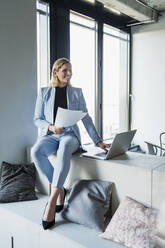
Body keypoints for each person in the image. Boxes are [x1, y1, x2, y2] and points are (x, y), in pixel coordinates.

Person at [31, 58, 110, 230]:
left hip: (69, 135)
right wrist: (51, 127)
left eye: (70, 70)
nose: (69, 73)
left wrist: (98, 141)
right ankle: (61, 190)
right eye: (65, 70)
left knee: (65, 146)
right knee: (36, 151)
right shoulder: (44, 92)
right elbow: (37, 119)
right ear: (55, 72)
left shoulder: (76, 92)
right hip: (52, 135)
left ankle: (52, 201)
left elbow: (86, 118)